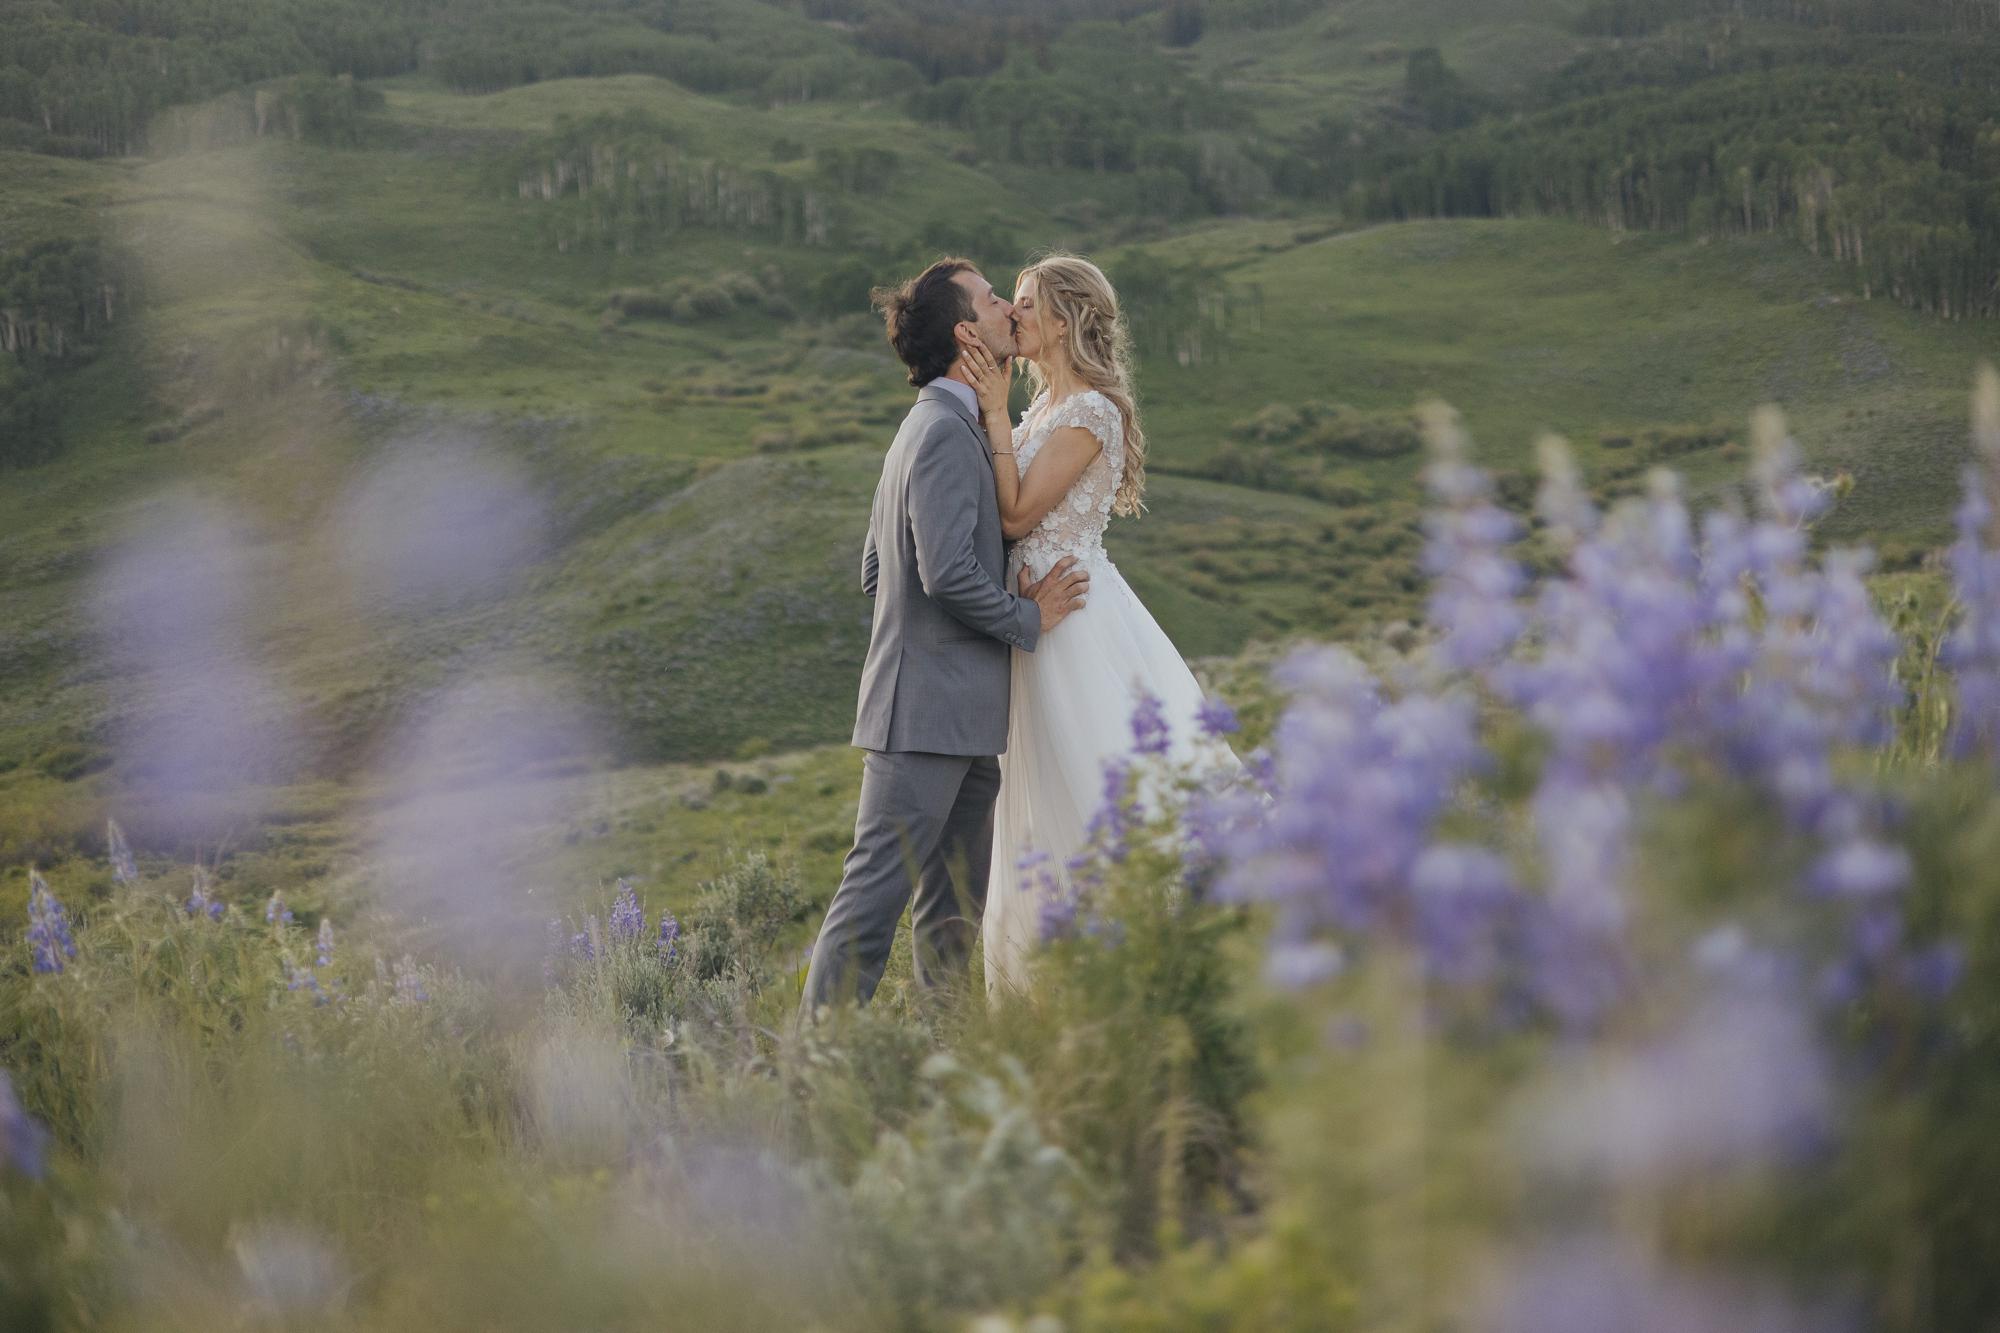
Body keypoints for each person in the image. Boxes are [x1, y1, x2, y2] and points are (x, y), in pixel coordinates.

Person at [798, 257, 1091, 1016]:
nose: (1006, 309)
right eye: (995, 299)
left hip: (963, 723)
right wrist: (1027, 618)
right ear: (968, 332)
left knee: (951, 918)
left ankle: (942, 1062)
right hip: (923, 721)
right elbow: (946, 575)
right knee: (870, 908)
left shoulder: (931, 424)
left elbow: (877, 569)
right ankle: (812, 1073)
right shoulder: (942, 433)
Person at [956, 253, 1232, 996]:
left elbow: (1018, 514)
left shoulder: (1091, 412)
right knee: (1036, 803)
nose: (1011, 314)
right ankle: (1050, 988)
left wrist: (988, 410)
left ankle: (1127, 973)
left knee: (1084, 790)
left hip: (1071, 625)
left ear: (1065, 319)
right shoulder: (1044, 408)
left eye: (1023, 302)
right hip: (1035, 621)